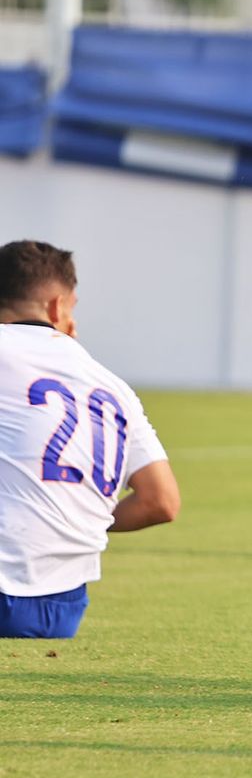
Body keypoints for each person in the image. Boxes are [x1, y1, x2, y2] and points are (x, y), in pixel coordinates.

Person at [0, 240, 180, 638]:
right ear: (55, 306)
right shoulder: (113, 387)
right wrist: (74, 517)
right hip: (62, 608)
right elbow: (161, 502)